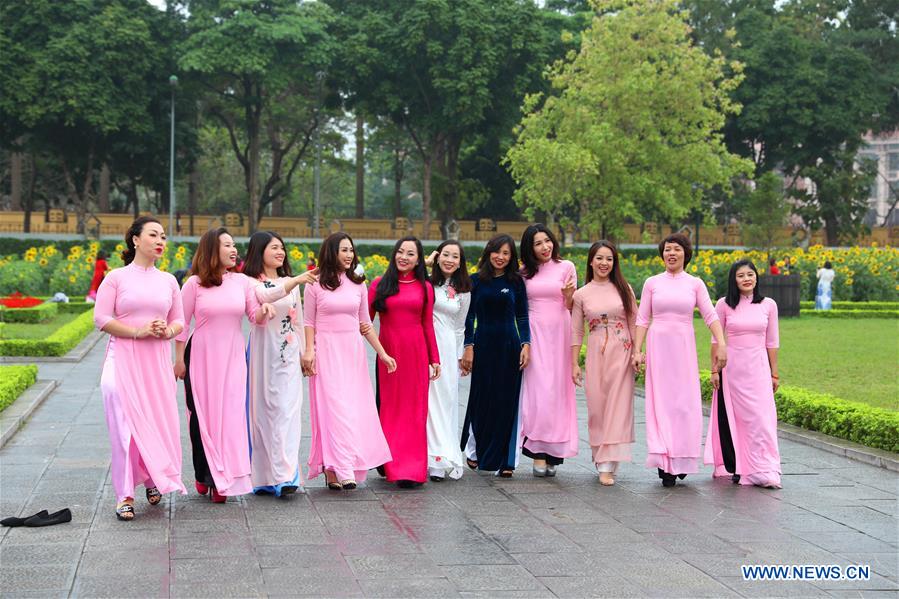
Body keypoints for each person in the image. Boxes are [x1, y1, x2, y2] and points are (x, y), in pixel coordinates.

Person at [173, 228, 306, 502]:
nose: (234, 250)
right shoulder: (194, 285)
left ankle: (225, 478)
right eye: (226, 245)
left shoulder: (241, 282)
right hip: (202, 355)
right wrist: (177, 359)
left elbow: (254, 314)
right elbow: (182, 324)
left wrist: (263, 311)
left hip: (233, 356)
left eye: (234, 245)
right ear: (212, 250)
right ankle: (205, 475)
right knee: (203, 418)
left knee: (232, 417)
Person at [93, 217, 187, 521]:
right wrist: (137, 331)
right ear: (135, 240)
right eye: (153, 235)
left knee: (154, 423)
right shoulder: (117, 278)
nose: (160, 240)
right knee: (123, 426)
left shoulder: (168, 281)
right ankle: (124, 495)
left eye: (163, 236)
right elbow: (101, 318)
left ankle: (152, 478)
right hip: (121, 358)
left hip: (156, 362)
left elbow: (179, 321)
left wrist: (165, 332)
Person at [631, 233, 728, 487]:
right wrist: (638, 351)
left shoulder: (695, 284)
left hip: (683, 349)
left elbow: (710, 315)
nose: (671, 253)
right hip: (658, 346)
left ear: (686, 254)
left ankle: (682, 458)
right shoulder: (652, 283)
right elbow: (642, 319)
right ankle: (665, 460)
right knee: (661, 403)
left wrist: (722, 343)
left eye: (676, 249)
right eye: (667, 250)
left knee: (684, 403)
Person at [302, 233, 395, 490]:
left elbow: (365, 324)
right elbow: (309, 322)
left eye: (351, 250)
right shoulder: (315, 284)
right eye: (344, 250)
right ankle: (342, 468)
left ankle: (335, 470)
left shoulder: (358, 284)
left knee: (352, 410)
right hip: (326, 352)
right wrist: (309, 351)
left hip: (352, 354)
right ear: (331, 252)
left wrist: (383, 353)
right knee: (333, 410)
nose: (349, 255)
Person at [243, 231, 319, 497]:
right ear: (259, 250)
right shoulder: (249, 281)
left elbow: (297, 319)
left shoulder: (291, 282)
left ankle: (287, 476)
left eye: (282, 248)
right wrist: (295, 280)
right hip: (263, 353)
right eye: (274, 247)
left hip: (288, 353)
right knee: (263, 412)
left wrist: (307, 352)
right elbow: (264, 296)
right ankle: (264, 476)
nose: (280, 252)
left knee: (288, 411)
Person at [369, 236, 441, 488]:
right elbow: (364, 323)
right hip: (389, 356)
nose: (404, 257)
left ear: (419, 259)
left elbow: (427, 324)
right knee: (391, 407)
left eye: (410, 254)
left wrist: (434, 358)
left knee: (415, 410)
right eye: (400, 251)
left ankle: (413, 469)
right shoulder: (379, 285)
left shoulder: (425, 288)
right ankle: (392, 465)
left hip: (416, 354)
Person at [704, 260, 782, 489]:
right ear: (733, 280)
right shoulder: (724, 305)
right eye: (741, 275)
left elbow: (772, 341)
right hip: (732, 370)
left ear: (756, 277)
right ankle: (740, 468)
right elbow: (716, 340)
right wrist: (714, 370)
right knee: (738, 420)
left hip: (758, 368)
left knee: (762, 419)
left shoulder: (769, 305)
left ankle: (765, 468)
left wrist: (774, 373)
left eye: (750, 274)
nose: (747, 278)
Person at [460, 234, 531, 478]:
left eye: (506, 253)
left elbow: (522, 316)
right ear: (488, 252)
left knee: (506, 401)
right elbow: (468, 318)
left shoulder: (516, 282)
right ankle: (476, 451)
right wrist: (468, 346)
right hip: (482, 345)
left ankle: (506, 459)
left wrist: (526, 343)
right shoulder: (475, 281)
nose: (500, 257)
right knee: (482, 399)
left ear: (511, 257)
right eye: (496, 251)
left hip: (509, 346)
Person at [570, 240, 637, 486]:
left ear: (614, 262)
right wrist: (574, 364)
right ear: (591, 261)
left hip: (622, 349)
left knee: (617, 405)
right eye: (599, 258)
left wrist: (638, 352)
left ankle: (608, 464)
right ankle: (602, 456)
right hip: (596, 352)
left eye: (609, 259)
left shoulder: (624, 289)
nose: (604, 263)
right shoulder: (581, 294)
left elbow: (635, 322)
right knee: (597, 405)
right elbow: (576, 332)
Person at [518, 224, 578, 477]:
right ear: (529, 248)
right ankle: (537, 453)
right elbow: (519, 310)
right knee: (537, 393)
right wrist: (523, 341)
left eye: (547, 241)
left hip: (561, 334)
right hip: (535, 334)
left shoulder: (567, 267)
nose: (545, 247)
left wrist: (568, 296)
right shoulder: (523, 273)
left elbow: (574, 307)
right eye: (538, 243)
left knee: (558, 393)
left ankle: (554, 452)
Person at [424, 241, 472, 482]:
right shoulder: (427, 283)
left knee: (444, 402)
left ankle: (440, 458)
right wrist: (426, 262)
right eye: (445, 255)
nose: (450, 260)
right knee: (426, 403)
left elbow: (460, 327)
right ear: (437, 256)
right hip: (423, 345)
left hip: (446, 350)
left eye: (455, 256)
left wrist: (458, 356)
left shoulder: (463, 291)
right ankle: (427, 456)